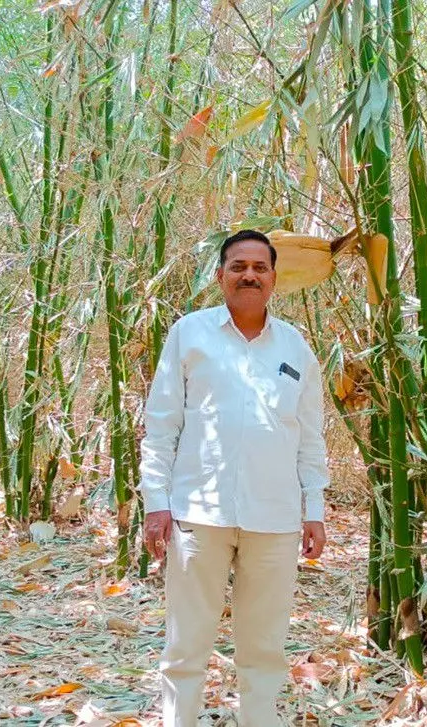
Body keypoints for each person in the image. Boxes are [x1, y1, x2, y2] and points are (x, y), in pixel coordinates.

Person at [139, 229, 330, 727]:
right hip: (198, 514)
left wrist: (315, 511)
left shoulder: (296, 348)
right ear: (220, 275)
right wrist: (155, 502)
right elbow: (162, 425)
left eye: (260, 267)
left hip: (276, 517)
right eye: (238, 266)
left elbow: (309, 437)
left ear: (274, 278)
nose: (249, 274)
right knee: (186, 648)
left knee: (264, 651)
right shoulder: (190, 334)